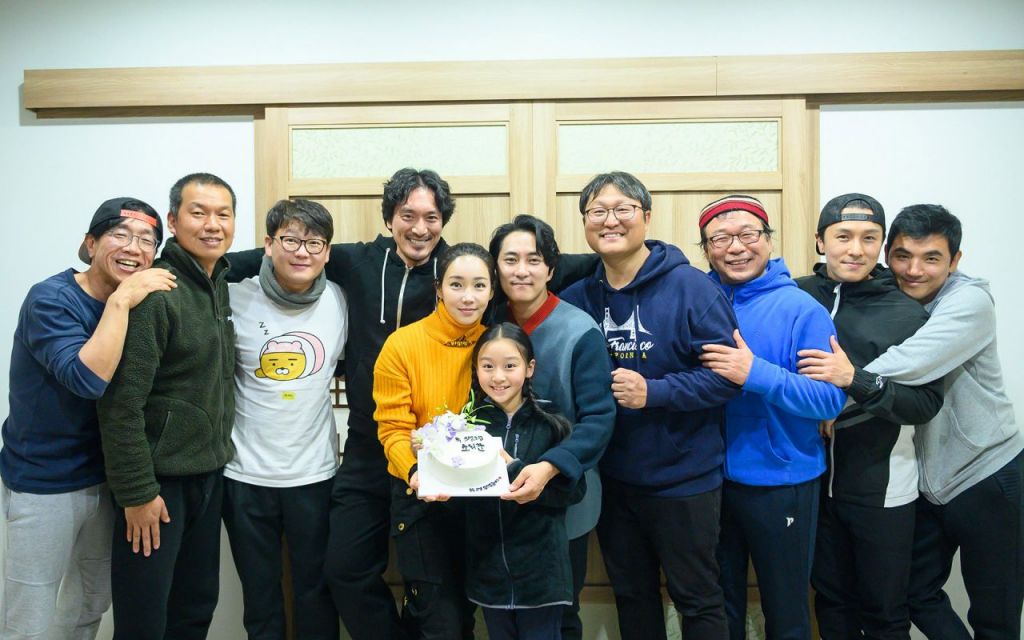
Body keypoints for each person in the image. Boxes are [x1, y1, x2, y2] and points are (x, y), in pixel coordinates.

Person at [225, 168, 596, 640]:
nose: (420, 227)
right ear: (390, 218)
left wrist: (623, 257)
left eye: (431, 217)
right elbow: (285, 251)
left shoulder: (464, 278)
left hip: (450, 465)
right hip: (371, 445)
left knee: (444, 599)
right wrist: (204, 263)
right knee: (344, 570)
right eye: (408, 215)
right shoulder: (355, 261)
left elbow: (556, 265)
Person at [808, 204, 1023, 639]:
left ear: (954, 260)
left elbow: (909, 362)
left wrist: (835, 396)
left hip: (986, 475)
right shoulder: (892, 298)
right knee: (914, 594)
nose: (914, 270)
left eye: (931, 258)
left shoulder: (967, 302)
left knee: (995, 615)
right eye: (903, 256)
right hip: (930, 482)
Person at [561, 171, 740, 640]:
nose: (610, 220)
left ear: (646, 216)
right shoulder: (577, 298)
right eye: (598, 211)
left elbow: (728, 379)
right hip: (612, 480)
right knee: (632, 596)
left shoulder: (692, 289)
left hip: (684, 480)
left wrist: (654, 392)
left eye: (623, 209)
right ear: (585, 222)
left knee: (698, 599)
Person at [0, 197, 173, 640]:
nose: (133, 248)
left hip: (106, 479)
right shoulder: (51, 299)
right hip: (44, 483)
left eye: (147, 241)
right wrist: (122, 301)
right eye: (120, 235)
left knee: (92, 601)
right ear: (91, 244)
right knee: (31, 613)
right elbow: (86, 379)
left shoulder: (143, 303)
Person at [695, 195, 846, 640]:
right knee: (719, 609)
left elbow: (828, 401)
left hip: (782, 484)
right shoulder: (697, 302)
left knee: (786, 610)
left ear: (768, 240)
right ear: (706, 249)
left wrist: (754, 373)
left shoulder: (802, 309)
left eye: (748, 234)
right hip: (709, 484)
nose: (736, 247)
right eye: (720, 238)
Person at [794, 192, 943, 640]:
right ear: (820, 241)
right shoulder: (797, 295)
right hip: (810, 482)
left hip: (882, 488)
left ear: (882, 245)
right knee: (831, 602)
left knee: (884, 612)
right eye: (843, 236)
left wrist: (851, 381)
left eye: (869, 238)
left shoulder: (906, 314)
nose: (855, 249)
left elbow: (925, 404)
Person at [97, 173, 237, 640]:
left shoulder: (219, 283)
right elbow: (120, 405)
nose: (212, 224)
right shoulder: (154, 292)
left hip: (208, 476)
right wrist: (137, 493)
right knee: (144, 619)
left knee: (195, 608)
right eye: (199, 213)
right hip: (157, 486)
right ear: (173, 221)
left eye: (223, 214)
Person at [223, 198, 347, 640]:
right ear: (268, 244)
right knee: (259, 596)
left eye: (314, 243)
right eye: (290, 240)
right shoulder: (234, 296)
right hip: (244, 475)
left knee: (316, 591)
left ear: (327, 251)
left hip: (314, 475)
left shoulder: (339, 299)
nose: (302, 252)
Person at [487, 214, 616, 640]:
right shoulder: (485, 325)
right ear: (496, 267)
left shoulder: (580, 330)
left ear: (550, 269)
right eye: (510, 260)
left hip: (563, 496)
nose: (521, 270)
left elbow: (599, 419)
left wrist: (549, 467)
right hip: (497, 500)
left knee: (559, 616)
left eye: (534, 260)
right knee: (503, 612)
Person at [374, 242, 494, 639]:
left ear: (492, 291)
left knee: (465, 616)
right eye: (456, 284)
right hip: (421, 496)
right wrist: (415, 472)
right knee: (438, 618)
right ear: (438, 288)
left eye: (479, 285)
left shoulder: (497, 346)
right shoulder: (402, 344)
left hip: (480, 497)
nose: (468, 296)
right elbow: (392, 429)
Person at [463, 322, 584, 640]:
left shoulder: (552, 423)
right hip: (489, 572)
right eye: (487, 366)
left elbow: (574, 491)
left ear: (529, 368)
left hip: (542, 577)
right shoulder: (468, 425)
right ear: (476, 369)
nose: (498, 377)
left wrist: (514, 469)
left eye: (510, 366)